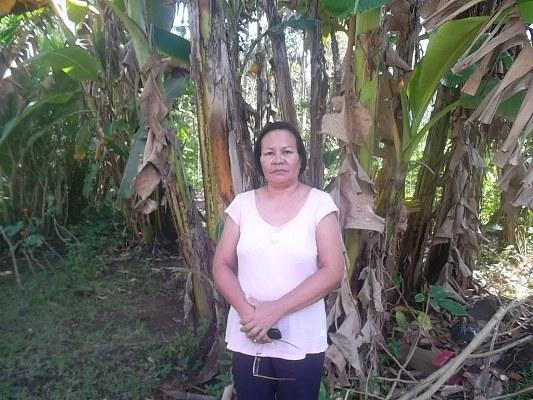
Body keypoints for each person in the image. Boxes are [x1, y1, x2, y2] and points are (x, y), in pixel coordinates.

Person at [212, 121, 344, 400]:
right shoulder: (242, 205)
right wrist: (249, 315)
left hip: (301, 338)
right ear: (260, 161)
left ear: (300, 159)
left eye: (287, 151)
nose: (278, 159)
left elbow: (333, 271)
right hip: (248, 334)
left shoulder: (319, 204)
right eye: (269, 153)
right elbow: (221, 265)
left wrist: (274, 311)